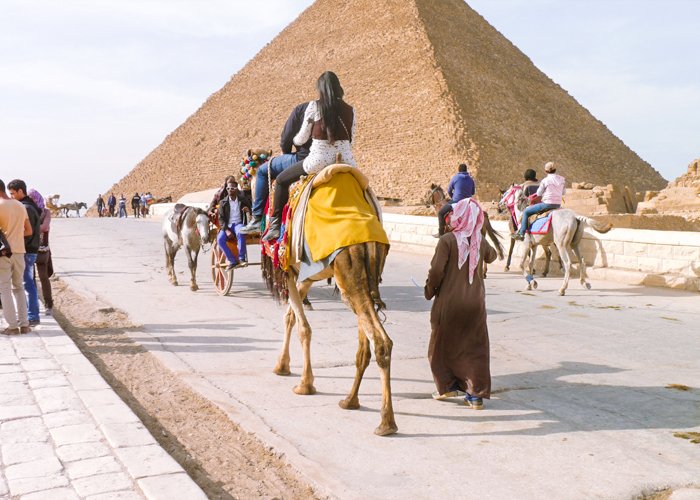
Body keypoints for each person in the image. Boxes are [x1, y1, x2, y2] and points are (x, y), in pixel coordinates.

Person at [263, 71, 356, 242]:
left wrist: (296, 142)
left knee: (282, 181)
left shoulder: (314, 106)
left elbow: (301, 138)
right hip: (346, 162)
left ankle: (275, 226)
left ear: (320, 88)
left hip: (317, 162)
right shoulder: (351, 109)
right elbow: (352, 140)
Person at [424, 198, 497, 409]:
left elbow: (436, 271)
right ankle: (475, 396)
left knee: (441, 345)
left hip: (449, 304)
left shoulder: (447, 240)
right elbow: (491, 256)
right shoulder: (480, 243)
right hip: (475, 305)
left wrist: (429, 290)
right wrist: (478, 235)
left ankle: (447, 386)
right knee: (475, 348)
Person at [240, 102, 313, 234]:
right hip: (337, 159)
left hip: (304, 158)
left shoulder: (306, 109)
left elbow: (286, 138)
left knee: (262, 171)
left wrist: (286, 152)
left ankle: (257, 218)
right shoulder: (343, 110)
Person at [0, 178, 32, 334]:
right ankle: (24, 324)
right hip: (20, 251)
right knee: (19, 287)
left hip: (4, 253)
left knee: (4, 288)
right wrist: (15, 235)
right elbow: (28, 231)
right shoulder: (20, 205)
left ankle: (12, 326)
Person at [8, 179, 41, 327]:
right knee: (28, 283)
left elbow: (27, 232)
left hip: (27, 251)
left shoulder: (26, 208)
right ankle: (31, 314)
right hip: (30, 250)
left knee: (27, 285)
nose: (12, 196)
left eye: (13, 193)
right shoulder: (30, 206)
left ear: (21, 191)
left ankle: (32, 316)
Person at [513, 161, 566, 240]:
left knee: (526, 211)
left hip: (547, 204)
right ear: (555, 169)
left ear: (546, 171)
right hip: (558, 204)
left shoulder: (545, 181)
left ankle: (521, 233)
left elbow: (539, 193)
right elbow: (564, 192)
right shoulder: (562, 179)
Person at [217, 180, 251, 270]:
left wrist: (247, 209)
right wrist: (227, 230)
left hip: (238, 224)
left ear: (236, 189)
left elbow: (251, 210)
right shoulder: (223, 202)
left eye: (232, 188)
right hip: (227, 226)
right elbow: (221, 218)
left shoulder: (243, 200)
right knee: (220, 239)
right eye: (228, 188)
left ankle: (241, 258)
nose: (230, 190)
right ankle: (232, 261)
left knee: (241, 232)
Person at [29, 189, 53, 315]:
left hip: (41, 250)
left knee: (43, 278)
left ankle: (48, 305)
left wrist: (29, 229)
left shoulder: (45, 212)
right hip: (31, 248)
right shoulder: (28, 209)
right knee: (30, 279)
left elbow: (45, 227)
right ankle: (35, 306)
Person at [437, 163, 476, 236]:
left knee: (440, 213)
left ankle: (441, 234)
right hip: (468, 203)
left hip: (456, 201)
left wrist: (453, 197)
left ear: (459, 170)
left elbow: (449, 190)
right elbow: (473, 192)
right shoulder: (471, 179)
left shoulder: (455, 177)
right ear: (466, 170)